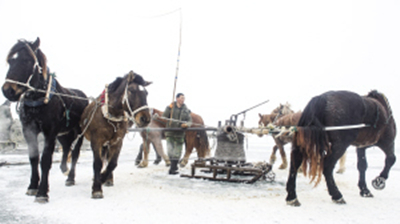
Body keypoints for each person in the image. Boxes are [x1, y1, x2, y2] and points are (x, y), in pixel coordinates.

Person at [162, 93, 192, 175]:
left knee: (178, 151)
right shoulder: (170, 108)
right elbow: (164, 117)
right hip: (170, 132)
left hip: (180, 133)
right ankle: (174, 167)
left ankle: (173, 168)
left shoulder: (186, 110)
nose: (183, 100)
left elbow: (190, 121)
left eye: (183, 98)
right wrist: (168, 108)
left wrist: (186, 125)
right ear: (177, 98)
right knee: (170, 150)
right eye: (181, 98)